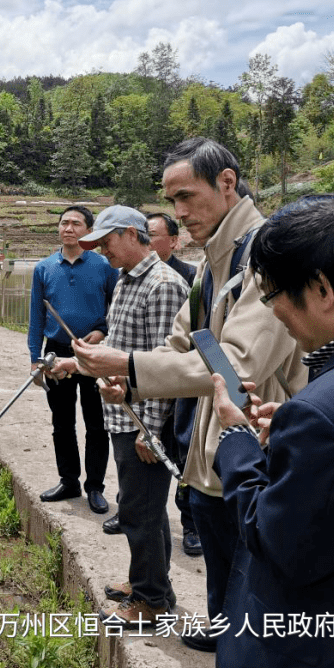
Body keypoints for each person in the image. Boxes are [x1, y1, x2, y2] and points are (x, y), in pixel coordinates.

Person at [73, 138, 306, 653]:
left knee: (256, 575)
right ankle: (223, 631)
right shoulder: (212, 260)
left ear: (226, 183)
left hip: (256, 442)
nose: (177, 213)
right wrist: (130, 376)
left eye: (186, 196)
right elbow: (182, 341)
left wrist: (129, 365)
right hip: (211, 446)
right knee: (222, 561)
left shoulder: (266, 255)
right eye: (170, 200)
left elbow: (238, 364)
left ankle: (243, 650)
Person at [211, 194, 334, 668]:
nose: (275, 310)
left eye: (273, 294)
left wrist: (237, 440)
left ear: (321, 288)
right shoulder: (331, 403)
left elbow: (280, 546)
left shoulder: (320, 413)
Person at [54, 205, 189, 625]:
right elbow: (124, 343)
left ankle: (149, 601)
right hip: (123, 411)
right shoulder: (127, 280)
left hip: (144, 420)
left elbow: (166, 363)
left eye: (106, 243)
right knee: (143, 507)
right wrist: (78, 364)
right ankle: (152, 582)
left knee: (139, 509)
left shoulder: (164, 284)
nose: (102, 252)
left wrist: (150, 430)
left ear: (132, 235)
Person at [28, 205, 118, 514]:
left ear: (88, 230)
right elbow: (36, 318)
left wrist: (101, 331)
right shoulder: (44, 268)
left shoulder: (105, 266)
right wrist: (34, 358)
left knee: (96, 423)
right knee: (61, 422)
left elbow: (115, 310)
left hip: (93, 352)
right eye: (64, 222)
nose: (68, 228)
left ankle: (95, 487)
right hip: (56, 351)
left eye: (76, 223)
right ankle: (69, 481)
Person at [146, 211, 201, 557]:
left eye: (152, 234)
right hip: (149, 378)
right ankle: (137, 514)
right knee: (146, 454)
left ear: (173, 241)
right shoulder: (130, 275)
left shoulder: (192, 278)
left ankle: (191, 525)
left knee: (184, 454)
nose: (146, 240)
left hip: (184, 382)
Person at [146, 212, 196, 286]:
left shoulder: (192, 275)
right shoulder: (127, 272)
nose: (143, 240)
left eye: (150, 235)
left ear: (173, 241)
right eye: (141, 235)